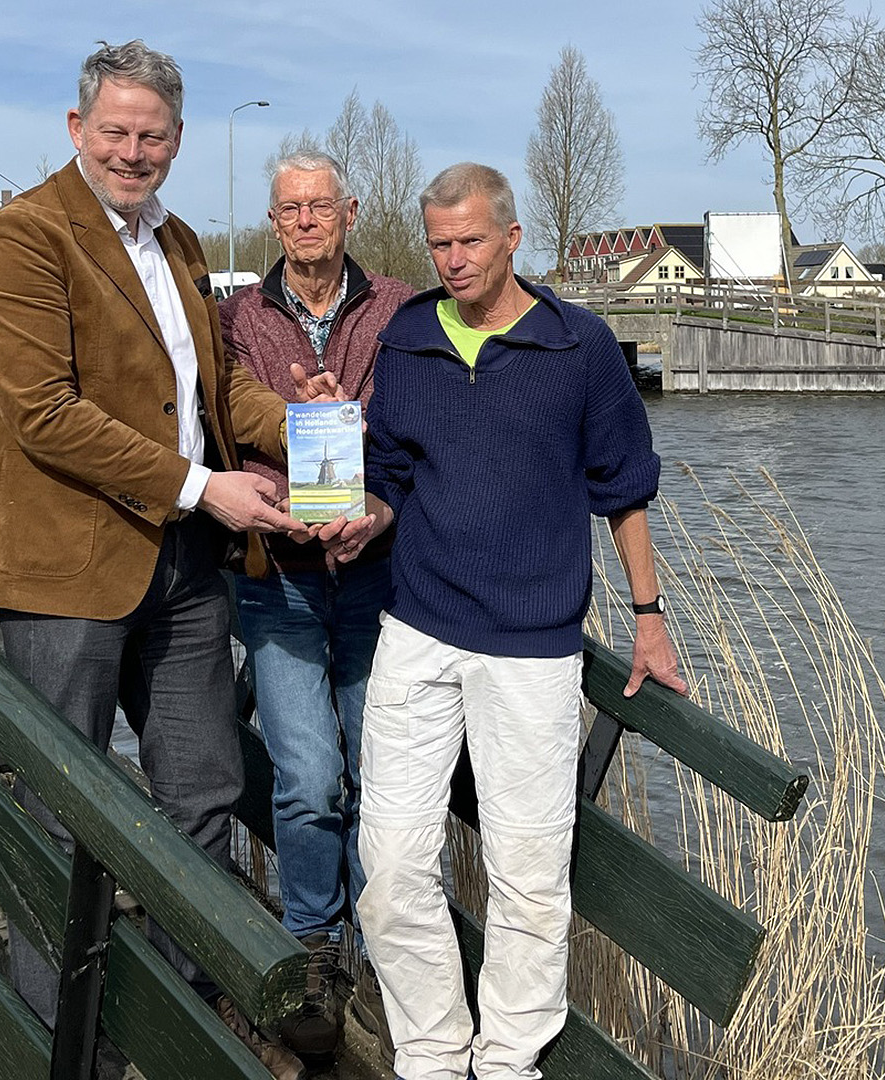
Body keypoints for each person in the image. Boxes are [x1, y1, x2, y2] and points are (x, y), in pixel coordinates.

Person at [0, 39, 334, 1080]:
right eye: (115, 132)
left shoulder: (183, 244)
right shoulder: (23, 238)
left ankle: (178, 1009)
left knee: (202, 789)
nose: (132, 151)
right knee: (60, 804)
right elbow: (44, 416)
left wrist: (301, 424)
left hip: (182, 565)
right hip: (64, 571)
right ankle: (55, 1039)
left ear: (175, 142)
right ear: (78, 131)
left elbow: (210, 400)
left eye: (152, 135)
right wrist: (204, 486)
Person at [316, 163, 688, 1080]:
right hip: (418, 630)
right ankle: (433, 1055)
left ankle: (509, 1061)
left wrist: (648, 616)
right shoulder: (405, 341)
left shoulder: (580, 347)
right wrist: (367, 513)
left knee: (528, 877)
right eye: (438, 243)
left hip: (532, 649)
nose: (452, 258)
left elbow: (625, 491)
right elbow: (392, 474)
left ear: (512, 237)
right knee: (394, 865)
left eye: (469, 240)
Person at [218, 150, 417, 1060]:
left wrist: (375, 498)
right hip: (282, 579)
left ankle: (382, 953)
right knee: (305, 777)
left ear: (349, 212)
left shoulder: (399, 309)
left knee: (381, 780)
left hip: (378, 580)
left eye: (320, 205)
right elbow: (226, 422)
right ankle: (314, 944)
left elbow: (421, 428)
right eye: (289, 208)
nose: (304, 221)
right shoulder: (239, 319)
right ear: (273, 221)